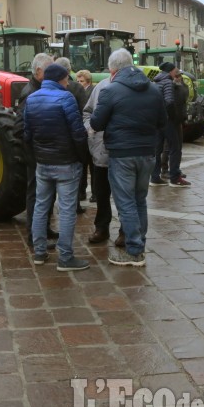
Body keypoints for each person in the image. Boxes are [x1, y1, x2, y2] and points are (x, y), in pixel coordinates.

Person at [90, 49, 167, 267]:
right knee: (140, 200)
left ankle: (134, 251)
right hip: (147, 153)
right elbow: (163, 121)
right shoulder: (153, 89)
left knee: (126, 204)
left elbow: (97, 123)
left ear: (113, 70)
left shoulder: (110, 90)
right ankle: (139, 243)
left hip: (122, 154)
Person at [24, 63, 89, 271]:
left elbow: (27, 134)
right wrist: (82, 158)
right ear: (60, 79)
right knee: (67, 210)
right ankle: (66, 257)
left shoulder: (32, 98)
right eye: (66, 78)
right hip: (66, 163)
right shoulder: (66, 98)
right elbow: (78, 133)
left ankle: (40, 252)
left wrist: (36, 156)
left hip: (43, 163)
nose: (68, 82)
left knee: (41, 207)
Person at [15, 53, 57, 246]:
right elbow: (19, 127)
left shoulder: (40, 88)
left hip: (43, 152)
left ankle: (44, 228)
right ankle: (34, 235)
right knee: (36, 194)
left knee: (47, 193)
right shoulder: (30, 92)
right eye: (49, 70)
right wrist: (35, 143)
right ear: (39, 71)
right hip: (34, 154)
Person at [82, 75, 113, 243]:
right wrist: (90, 129)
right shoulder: (102, 86)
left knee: (127, 195)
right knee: (101, 192)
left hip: (125, 152)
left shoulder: (143, 87)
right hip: (102, 149)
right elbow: (87, 112)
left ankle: (126, 231)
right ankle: (102, 227)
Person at [150, 62, 190, 187]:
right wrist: (172, 117)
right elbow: (169, 102)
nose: (176, 73)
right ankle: (175, 177)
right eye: (175, 70)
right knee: (175, 148)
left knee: (157, 149)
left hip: (157, 121)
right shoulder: (167, 82)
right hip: (168, 121)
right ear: (170, 71)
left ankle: (155, 177)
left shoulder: (156, 82)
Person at [57, 57, 88, 213]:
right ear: (69, 71)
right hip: (74, 134)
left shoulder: (51, 88)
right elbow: (85, 110)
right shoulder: (77, 88)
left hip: (56, 136)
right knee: (77, 168)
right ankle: (77, 199)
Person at [76, 69, 96, 203]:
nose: (79, 83)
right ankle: (82, 191)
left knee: (93, 165)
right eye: (77, 81)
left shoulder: (92, 91)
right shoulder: (79, 91)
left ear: (87, 81)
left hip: (91, 132)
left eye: (81, 81)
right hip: (82, 133)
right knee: (83, 165)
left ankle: (95, 192)